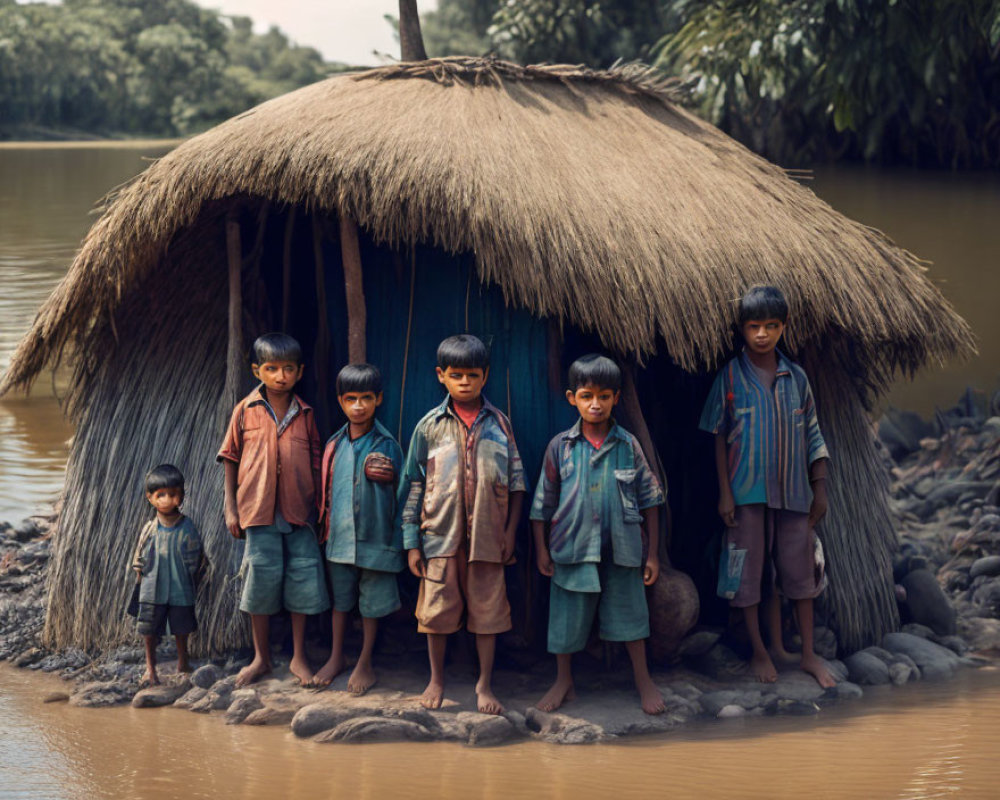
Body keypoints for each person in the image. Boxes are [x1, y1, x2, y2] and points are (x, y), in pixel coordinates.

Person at [699, 285, 835, 688]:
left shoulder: (796, 378)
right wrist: (725, 492)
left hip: (794, 493)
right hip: (745, 494)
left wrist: (820, 487)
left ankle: (807, 653)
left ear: (783, 327)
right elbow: (717, 435)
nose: (762, 334)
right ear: (742, 328)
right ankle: (762, 651)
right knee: (748, 574)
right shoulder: (729, 377)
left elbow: (813, 433)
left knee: (799, 574)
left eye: (771, 326)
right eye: (754, 326)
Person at [530, 354, 667, 715]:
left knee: (631, 614)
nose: (596, 404)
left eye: (604, 396)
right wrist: (541, 551)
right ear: (572, 397)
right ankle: (563, 680)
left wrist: (652, 554)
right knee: (565, 618)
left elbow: (651, 499)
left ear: (616, 398)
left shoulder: (628, 446)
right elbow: (541, 504)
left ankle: (643, 680)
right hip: (571, 548)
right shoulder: (560, 447)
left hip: (623, 549)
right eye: (587, 396)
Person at [399, 334, 526, 714]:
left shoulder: (500, 424)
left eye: (472, 374)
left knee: (487, 615)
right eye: (456, 375)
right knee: (436, 614)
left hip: (488, 540)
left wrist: (508, 533)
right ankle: (436, 679)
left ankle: (484, 684)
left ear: (485, 376)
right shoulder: (429, 426)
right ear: (442, 376)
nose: (465, 382)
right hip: (439, 538)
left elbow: (517, 483)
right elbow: (413, 486)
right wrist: (411, 542)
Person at [217, 332, 329, 687]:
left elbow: (316, 464)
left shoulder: (306, 414)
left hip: (299, 514)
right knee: (259, 584)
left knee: (302, 583)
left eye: (289, 369)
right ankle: (261, 658)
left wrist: (320, 509)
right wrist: (231, 509)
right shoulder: (245, 411)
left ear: (299, 372)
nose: (281, 375)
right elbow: (230, 459)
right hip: (258, 512)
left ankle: (298, 657)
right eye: (272, 368)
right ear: (257, 371)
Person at [313, 363, 404, 694]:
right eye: (351, 399)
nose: (358, 406)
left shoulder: (389, 446)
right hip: (338, 541)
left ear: (378, 399)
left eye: (366, 398)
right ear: (340, 401)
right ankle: (337, 657)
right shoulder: (334, 446)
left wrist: (397, 543)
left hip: (376, 542)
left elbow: (401, 498)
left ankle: (365, 662)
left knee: (372, 606)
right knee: (341, 603)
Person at [130, 464, 204, 687]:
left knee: (182, 628)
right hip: (153, 587)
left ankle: (183, 662)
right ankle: (150, 669)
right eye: (160, 495)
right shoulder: (150, 528)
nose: (166, 500)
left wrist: (195, 574)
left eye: (173, 494)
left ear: (181, 496)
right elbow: (139, 554)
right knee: (149, 629)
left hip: (180, 586)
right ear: (150, 498)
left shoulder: (187, 526)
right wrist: (139, 572)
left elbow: (196, 555)